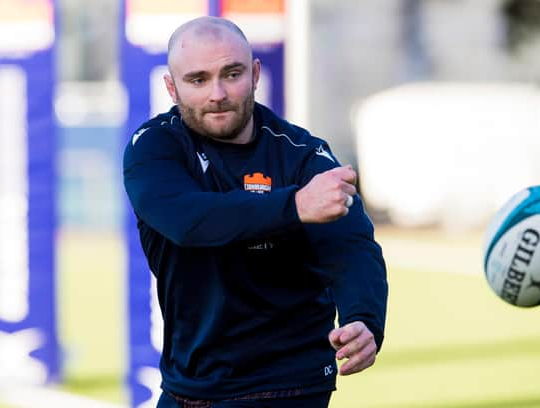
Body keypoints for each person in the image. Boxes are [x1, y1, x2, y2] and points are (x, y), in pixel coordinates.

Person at [123, 16, 388, 408]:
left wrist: (364, 318)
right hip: (189, 385)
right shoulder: (155, 146)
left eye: (232, 74)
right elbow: (187, 220)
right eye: (198, 79)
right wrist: (295, 206)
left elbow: (350, 246)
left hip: (286, 382)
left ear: (256, 73)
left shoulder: (302, 154)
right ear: (171, 87)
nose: (218, 93)